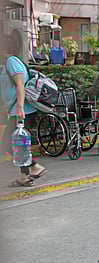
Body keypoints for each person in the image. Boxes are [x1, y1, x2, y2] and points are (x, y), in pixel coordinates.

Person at [0, 39, 47, 187]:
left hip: (21, 111)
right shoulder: (12, 61)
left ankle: (34, 167)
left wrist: (19, 108)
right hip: (19, 110)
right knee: (19, 144)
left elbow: (20, 84)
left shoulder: (12, 61)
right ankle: (24, 176)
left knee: (8, 144)